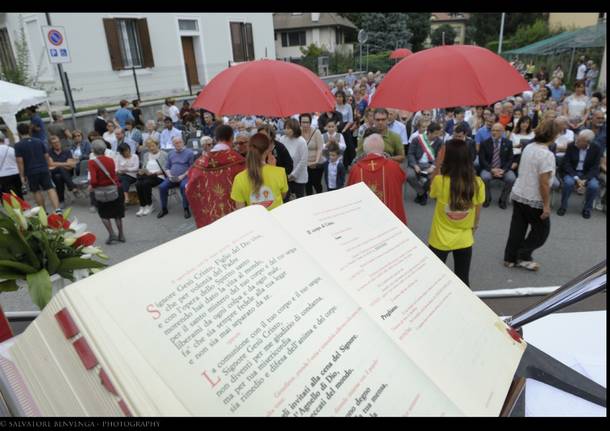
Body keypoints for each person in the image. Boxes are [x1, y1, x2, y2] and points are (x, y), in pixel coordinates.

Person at [504, 119, 559, 271]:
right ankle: (522, 255)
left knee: (517, 227)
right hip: (533, 198)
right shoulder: (547, 155)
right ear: (553, 136)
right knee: (541, 232)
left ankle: (509, 258)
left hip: (519, 192)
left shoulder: (528, 147)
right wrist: (546, 206)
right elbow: (544, 183)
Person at [428, 139, 484, 287]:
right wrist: (474, 228)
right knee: (463, 279)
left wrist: (437, 164)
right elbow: (477, 213)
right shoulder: (478, 183)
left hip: (439, 238)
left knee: (433, 280)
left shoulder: (440, 181)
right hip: (464, 238)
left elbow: (431, 192)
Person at [186, 124, 246, 228]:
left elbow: (190, 185)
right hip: (234, 210)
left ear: (215, 139)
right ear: (232, 138)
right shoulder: (238, 160)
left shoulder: (201, 161)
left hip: (212, 212)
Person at [347, 133, 407, 224]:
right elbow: (402, 180)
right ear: (382, 149)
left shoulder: (356, 170)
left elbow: (350, 192)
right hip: (390, 219)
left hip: (364, 220)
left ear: (365, 150)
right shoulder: (394, 167)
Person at [231, 133, 288, 210]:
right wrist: (273, 168)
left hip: (255, 221)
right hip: (276, 219)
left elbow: (240, 209)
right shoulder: (280, 172)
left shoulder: (239, 178)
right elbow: (283, 195)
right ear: (268, 150)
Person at [14, 123, 61, 212]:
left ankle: (44, 212)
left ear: (19, 133)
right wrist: (48, 166)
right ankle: (58, 210)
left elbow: (20, 162)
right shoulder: (39, 141)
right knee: (50, 188)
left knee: (36, 191)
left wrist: (22, 176)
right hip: (43, 168)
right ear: (29, 130)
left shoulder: (18, 145)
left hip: (31, 171)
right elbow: (46, 155)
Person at [557, 129, 602, 219]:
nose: (576, 141)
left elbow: (595, 167)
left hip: (587, 173)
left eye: (579, 140)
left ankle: (587, 209)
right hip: (572, 172)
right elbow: (566, 164)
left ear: (587, 143)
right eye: (577, 138)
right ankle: (563, 206)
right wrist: (576, 177)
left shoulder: (596, 148)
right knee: (568, 183)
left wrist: (586, 179)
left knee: (594, 186)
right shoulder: (571, 146)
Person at [88, 140, 125, 244]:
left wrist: (91, 186)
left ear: (93, 150)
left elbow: (94, 180)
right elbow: (113, 174)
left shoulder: (92, 162)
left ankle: (112, 234)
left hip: (101, 192)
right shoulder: (110, 160)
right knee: (118, 214)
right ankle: (121, 235)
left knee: (104, 214)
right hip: (114, 189)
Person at [479, 123, 515, 209]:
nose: (494, 132)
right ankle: (487, 198)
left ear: (502, 132)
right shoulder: (484, 143)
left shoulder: (508, 143)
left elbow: (510, 159)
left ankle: (503, 200)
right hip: (489, 168)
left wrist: (504, 170)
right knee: (485, 177)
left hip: (503, 169)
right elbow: (482, 160)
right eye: (493, 130)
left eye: (497, 130)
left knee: (511, 178)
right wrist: (492, 170)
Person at [157, 136, 194, 219]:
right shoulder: (170, 153)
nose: (178, 144)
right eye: (176, 143)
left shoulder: (189, 153)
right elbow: (167, 167)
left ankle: (186, 208)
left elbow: (191, 168)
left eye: (180, 142)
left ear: (183, 142)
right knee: (162, 187)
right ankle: (164, 208)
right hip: (172, 177)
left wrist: (182, 176)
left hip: (184, 176)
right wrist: (169, 176)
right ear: (173, 144)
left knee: (183, 187)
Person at [407, 122, 443, 205]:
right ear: (429, 132)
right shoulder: (417, 139)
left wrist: (433, 167)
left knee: (433, 177)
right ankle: (422, 193)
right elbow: (410, 154)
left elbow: (439, 157)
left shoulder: (439, 142)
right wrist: (415, 165)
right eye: (435, 133)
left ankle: (420, 195)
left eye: (439, 133)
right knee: (409, 175)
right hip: (416, 163)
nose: (437, 135)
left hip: (429, 165)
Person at [135, 139, 168, 217]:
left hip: (159, 176)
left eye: (153, 146)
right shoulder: (146, 155)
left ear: (157, 145)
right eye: (149, 147)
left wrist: (154, 173)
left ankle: (150, 205)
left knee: (146, 183)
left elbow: (166, 169)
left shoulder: (164, 154)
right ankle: (143, 205)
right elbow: (144, 167)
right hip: (147, 176)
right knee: (138, 184)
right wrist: (142, 171)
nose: (151, 148)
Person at [279, 118, 308, 200]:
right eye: (285, 128)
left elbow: (303, 161)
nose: (286, 130)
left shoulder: (301, 141)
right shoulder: (282, 139)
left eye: (288, 128)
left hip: (299, 177)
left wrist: (293, 175)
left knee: (299, 200)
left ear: (294, 128)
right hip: (285, 177)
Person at [48, 135, 78, 207]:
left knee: (58, 177)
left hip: (68, 172)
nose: (57, 144)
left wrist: (56, 164)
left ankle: (61, 200)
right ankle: (73, 187)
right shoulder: (49, 152)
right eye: (54, 143)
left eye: (58, 142)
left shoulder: (66, 151)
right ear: (51, 144)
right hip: (54, 173)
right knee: (59, 173)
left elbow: (71, 165)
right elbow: (50, 165)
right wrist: (65, 164)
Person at [300, 113, 325, 196]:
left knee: (317, 184)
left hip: (316, 164)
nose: (305, 124)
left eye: (307, 122)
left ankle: (320, 198)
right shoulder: (298, 133)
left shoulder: (316, 132)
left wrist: (316, 161)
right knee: (307, 185)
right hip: (304, 164)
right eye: (303, 122)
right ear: (300, 123)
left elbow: (320, 148)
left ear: (310, 123)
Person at [0, 132, 23, 198]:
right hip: (15, 173)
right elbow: (18, 161)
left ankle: (14, 208)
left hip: (3, 176)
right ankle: (23, 207)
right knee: (19, 193)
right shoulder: (11, 149)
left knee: (8, 196)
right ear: (3, 139)